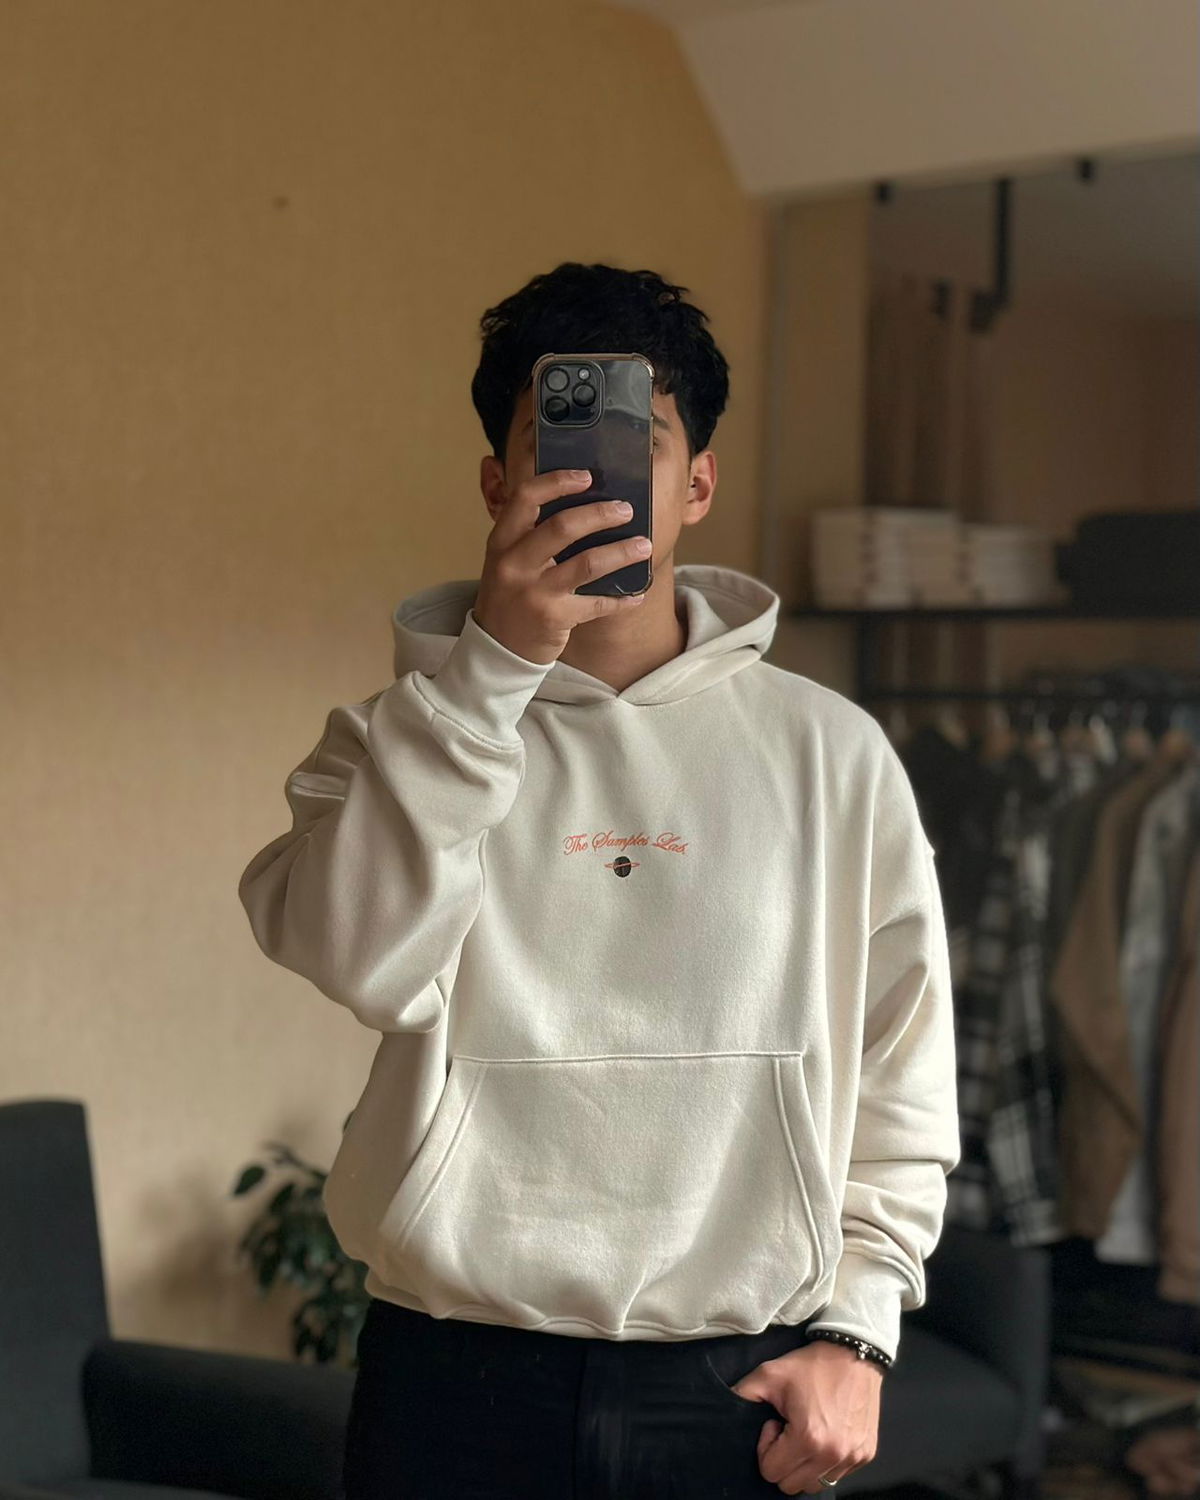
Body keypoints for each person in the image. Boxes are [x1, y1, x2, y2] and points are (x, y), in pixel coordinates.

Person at [237, 262, 961, 1498]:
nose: (594, 480)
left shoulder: (832, 755)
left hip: (738, 1382)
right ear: (498, 484)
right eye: (552, 445)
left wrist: (859, 1330)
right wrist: (487, 676)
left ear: (698, 483)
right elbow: (365, 964)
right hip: (451, 1370)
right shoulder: (390, 742)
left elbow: (904, 1059)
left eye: (640, 442)